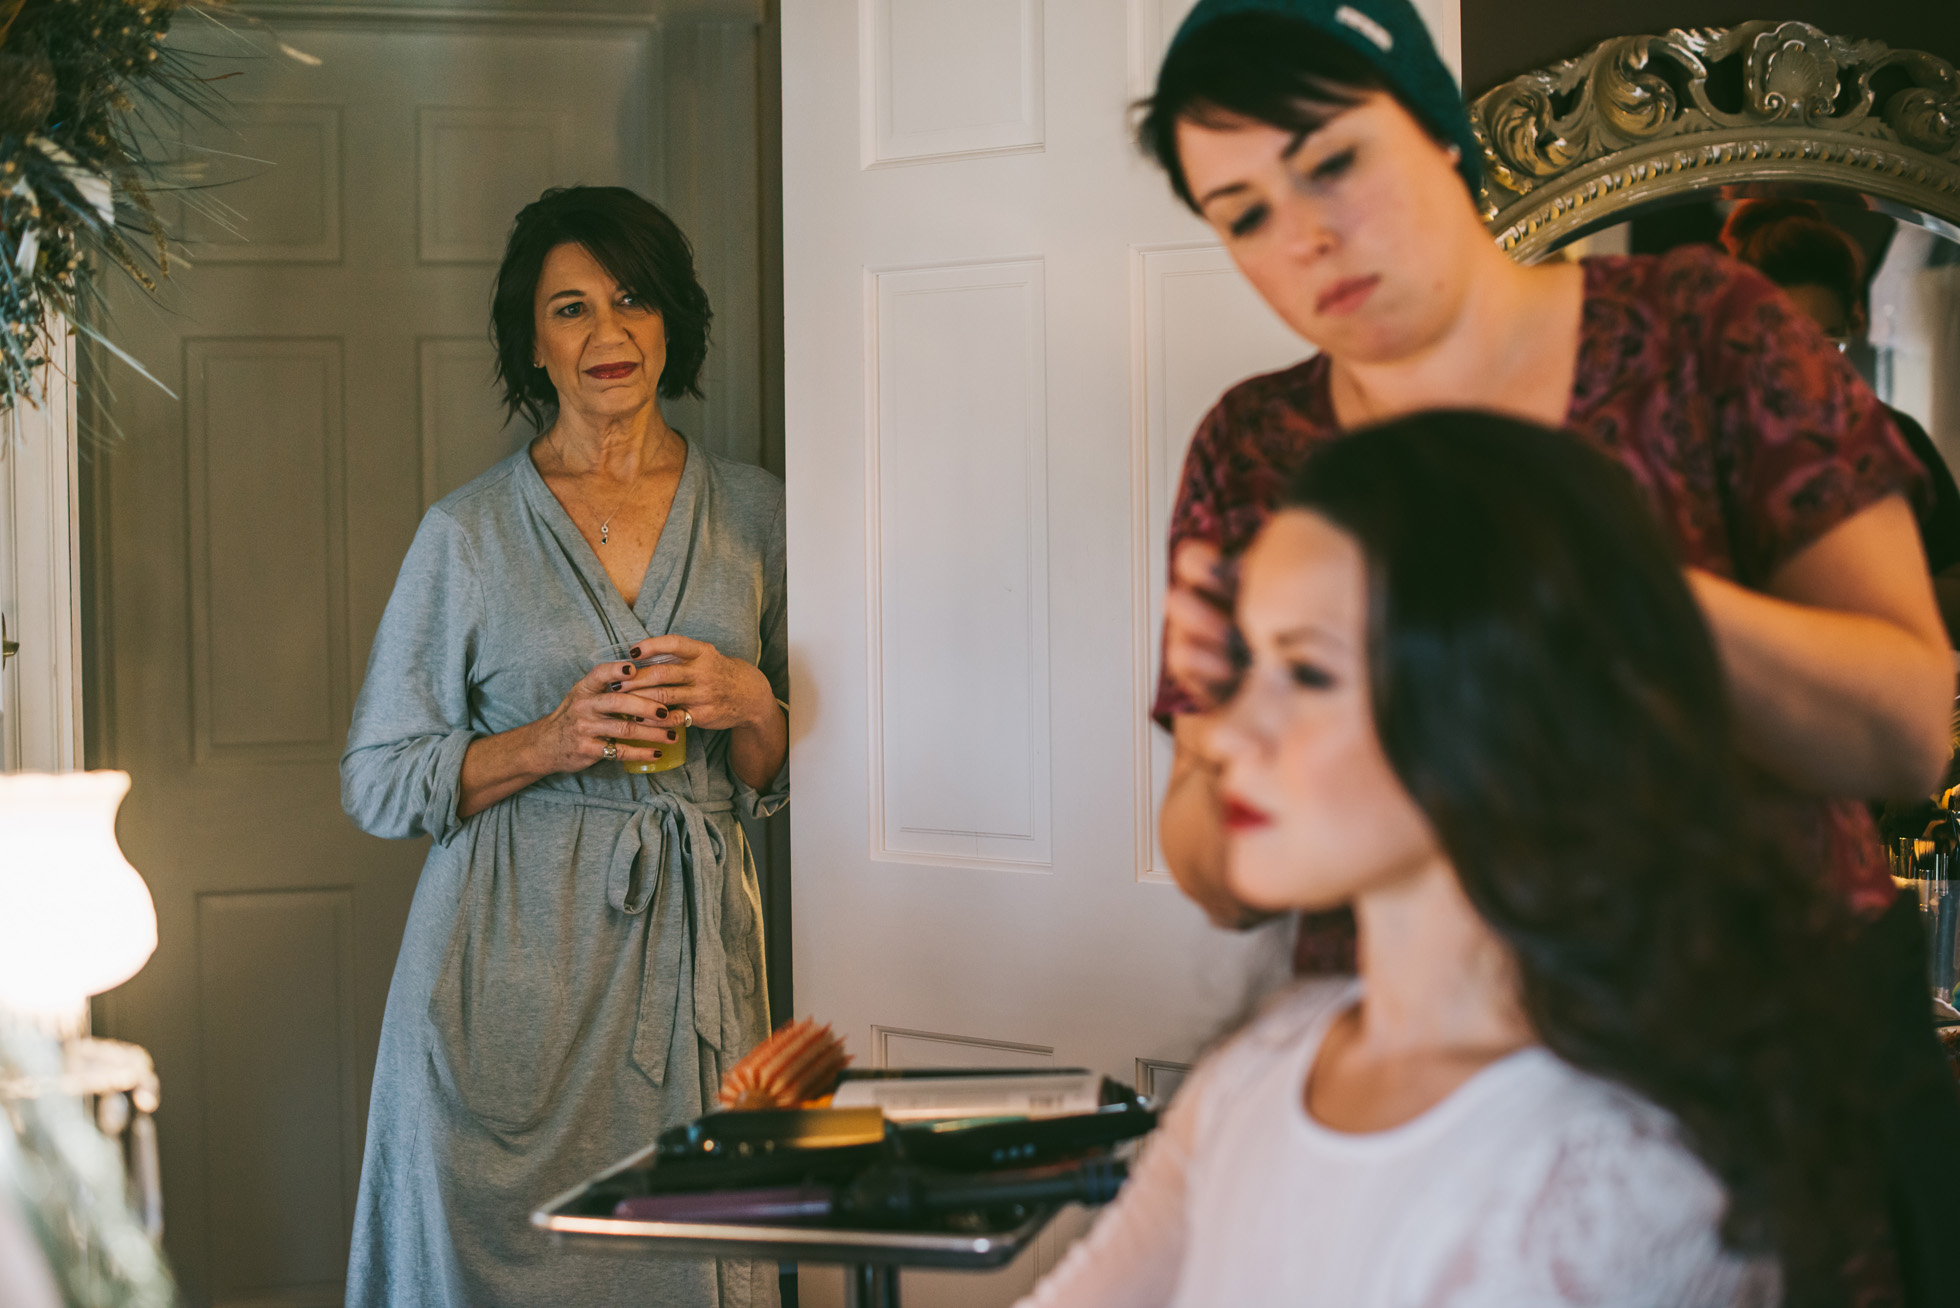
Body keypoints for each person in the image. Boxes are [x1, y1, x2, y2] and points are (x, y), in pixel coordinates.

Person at [1138, 1, 1960, 1297]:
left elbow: (1906, 732)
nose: (1303, 238)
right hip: (1437, 1113)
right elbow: (1214, 860)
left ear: (1440, 130)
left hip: (1770, 1067)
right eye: (1241, 213)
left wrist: (1594, 588)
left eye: (1333, 161)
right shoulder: (1253, 451)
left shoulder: (1708, 333)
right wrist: (1243, 769)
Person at [1019, 413, 1887, 1307]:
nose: (1225, 736)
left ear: (1499, 704)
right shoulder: (1264, 1066)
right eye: (1245, 665)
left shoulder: (1608, 1193)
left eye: (1307, 674)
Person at [341, 185, 787, 1308]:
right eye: (571, 308)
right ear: (532, 344)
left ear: (671, 321)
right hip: (505, 981)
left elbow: (779, 776)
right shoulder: (468, 533)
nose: (608, 333)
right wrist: (548, 741)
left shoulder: (757, 516)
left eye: (632, 300)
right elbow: (377, 780)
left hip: (689, 971)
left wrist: (750, 699)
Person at [1721, 197, 1960, 639]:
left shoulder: (1896, 438)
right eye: (1780, 344)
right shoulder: (1709, 443)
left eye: (1825, 344)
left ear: (1855, 322)